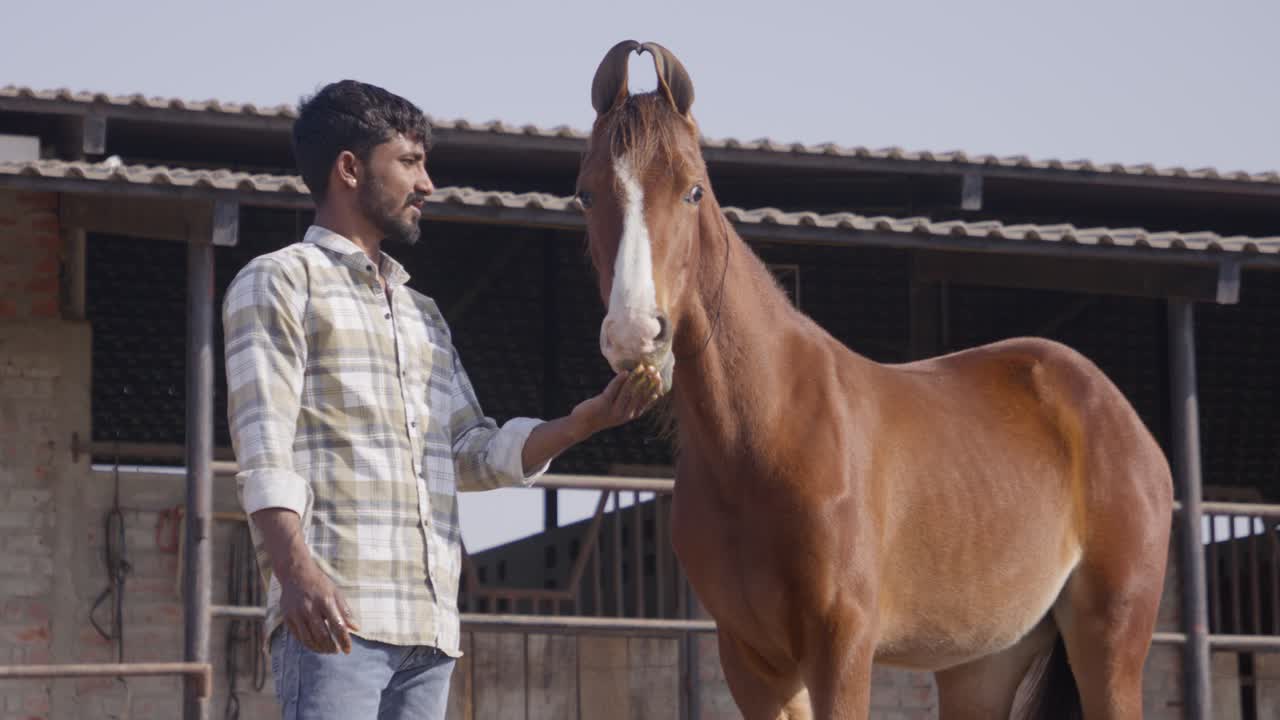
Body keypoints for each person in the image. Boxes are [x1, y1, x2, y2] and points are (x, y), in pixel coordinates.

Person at [222, 79, 661, 720]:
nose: (427, 183)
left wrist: (587, 420)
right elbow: (263, 447)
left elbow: (469, 452)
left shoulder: (422, 315)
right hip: (337, 621)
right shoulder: (281, 282)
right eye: (409, 161)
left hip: (429, 634)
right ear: (349, 168)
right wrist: (295, 576)